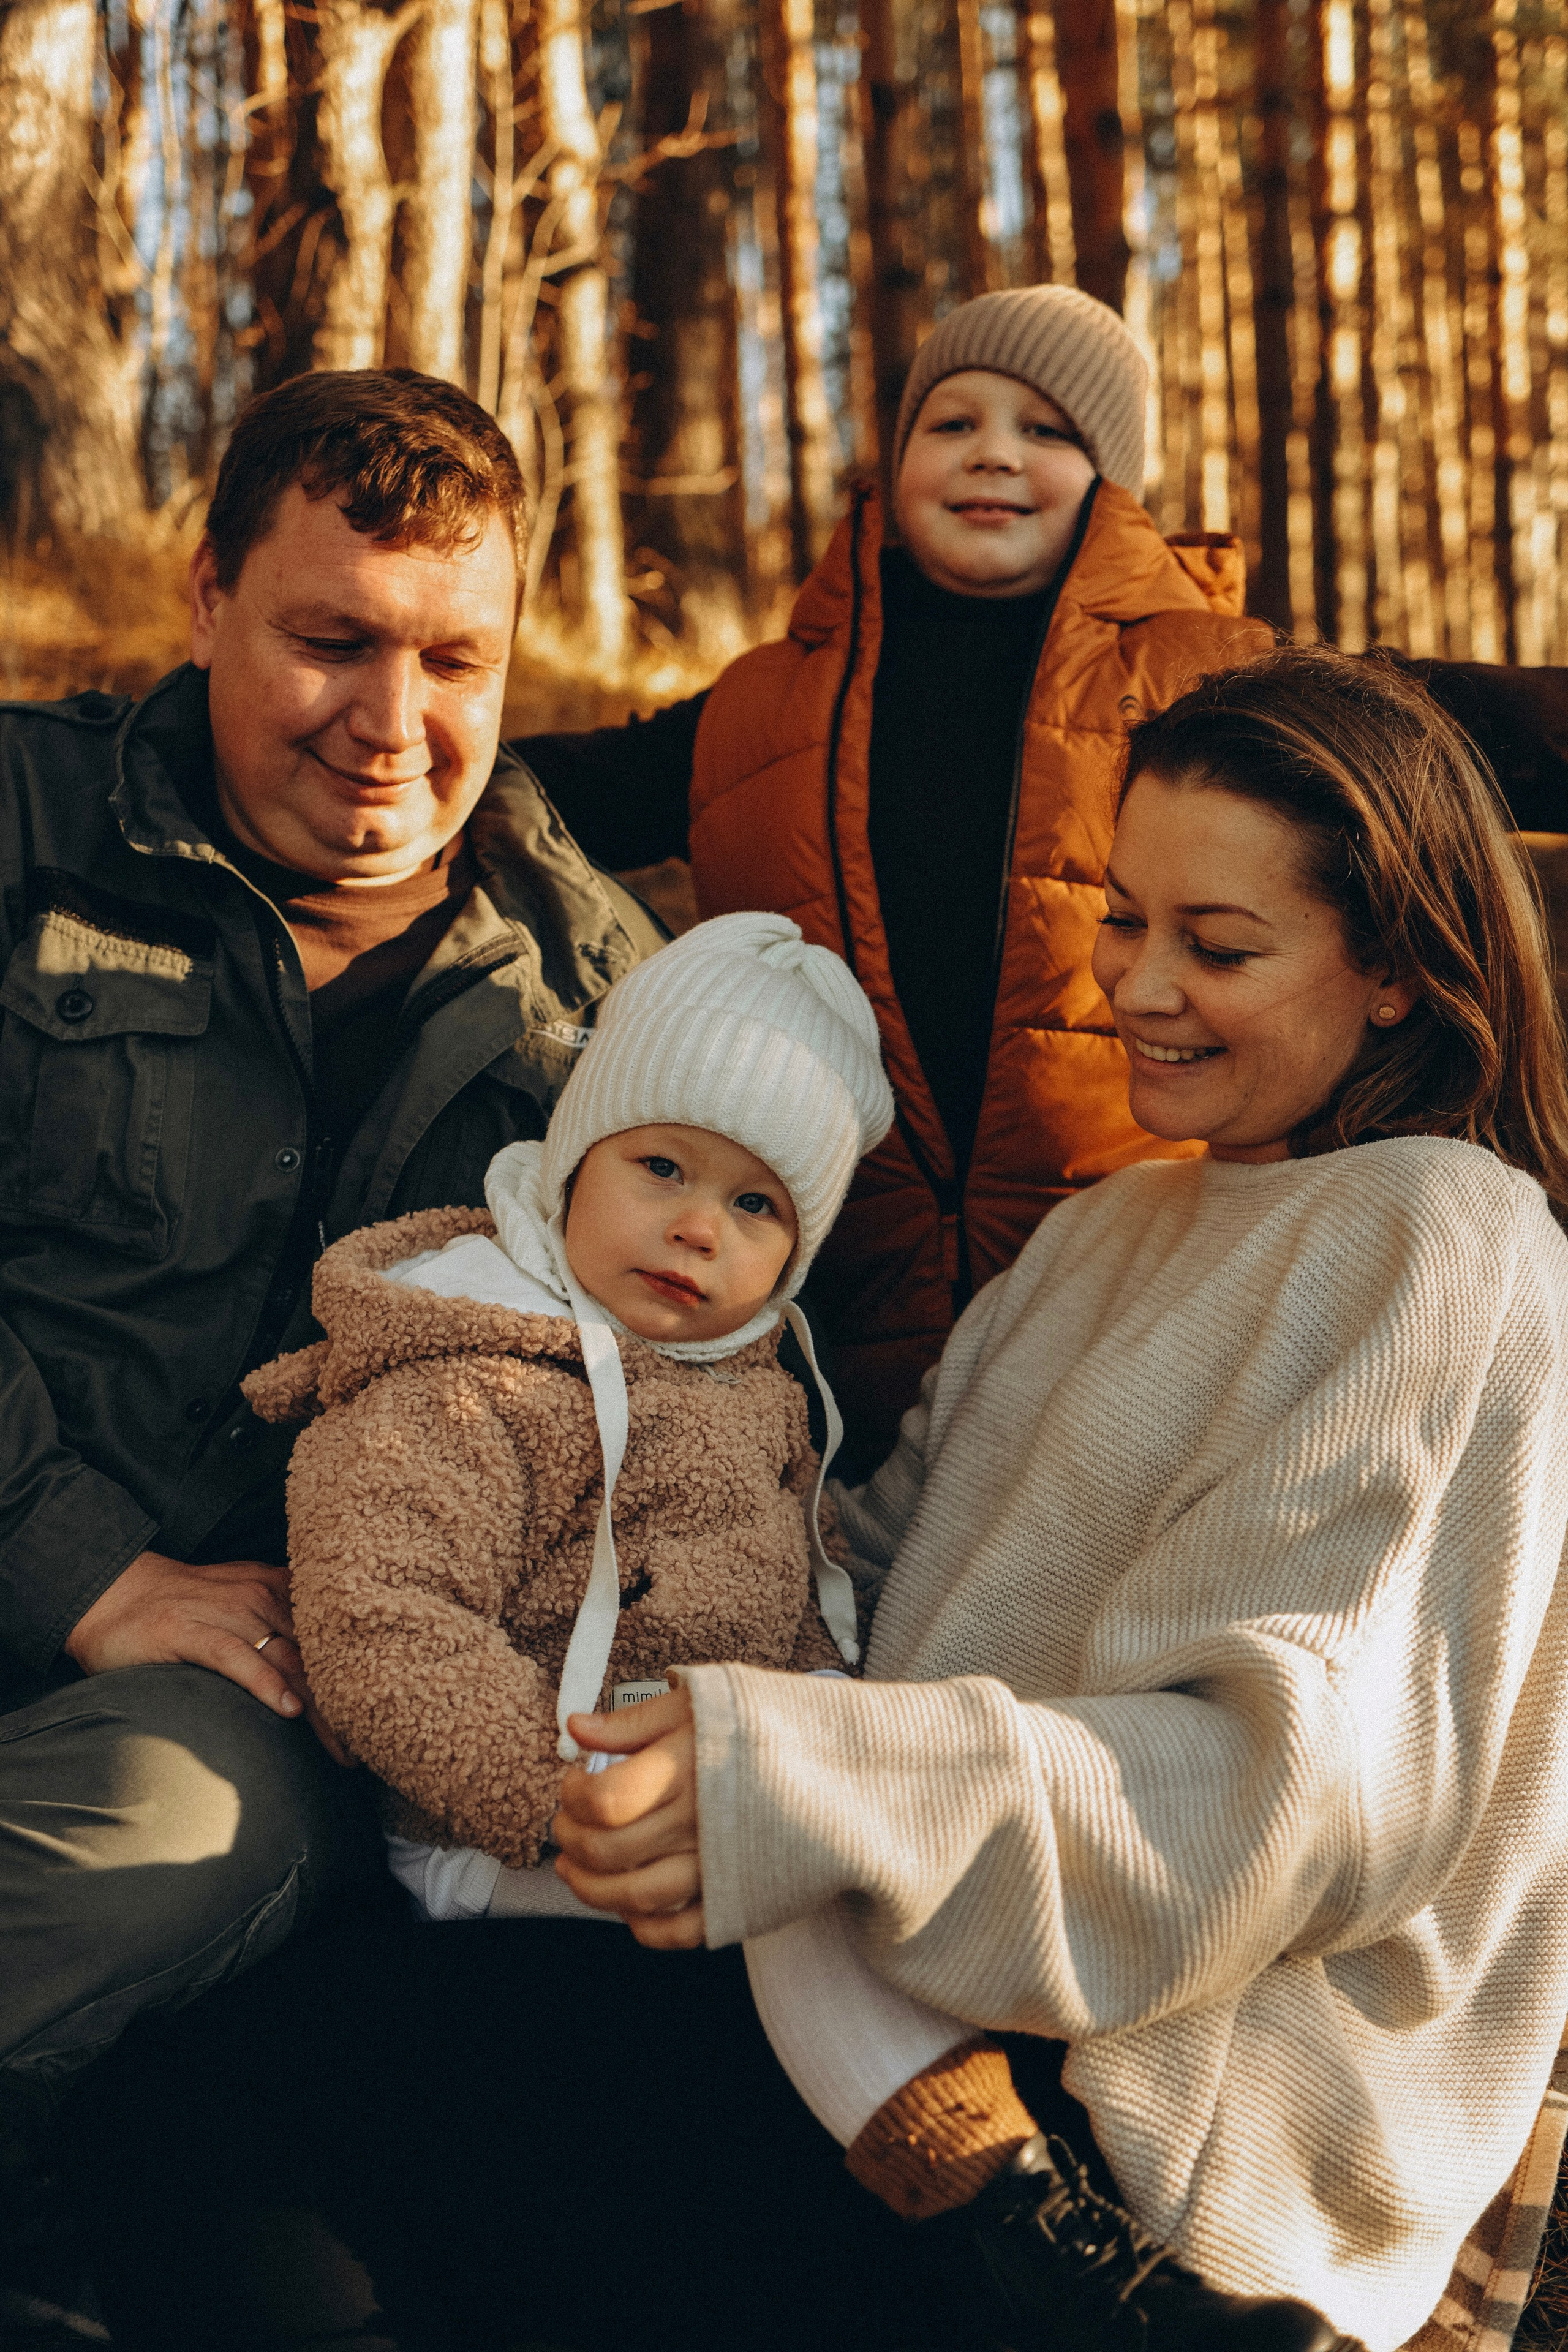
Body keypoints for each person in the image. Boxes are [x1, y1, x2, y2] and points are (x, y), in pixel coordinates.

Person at [540, 646, 1568, 2352]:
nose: (1138, 989)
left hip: (1158, 2134)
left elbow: (1274, 1811)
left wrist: (813, 1781)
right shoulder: (1110, 1230)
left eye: (1219, 947)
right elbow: (869, 1568)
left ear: (1394, 971)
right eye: (1127, 919)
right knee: (280, 2077)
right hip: (916, 1943)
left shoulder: (1445, 1247)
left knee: (344, 2136)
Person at [0, 366, 663, 2200]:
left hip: (257, 1704)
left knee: (167, 1825)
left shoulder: (602, 1000)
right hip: (52, 1546)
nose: (392, 723)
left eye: (454, 661)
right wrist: (78, 1565)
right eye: (331, 642)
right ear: (206, 597)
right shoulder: (22, 826)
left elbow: (709, 1381)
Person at [515, 284, 1274, 1460]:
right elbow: (548, 789)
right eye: (952, 422)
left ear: (1113, 481)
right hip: (841, 1310)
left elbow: (1441, 737)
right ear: (898, 459)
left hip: (1139, 1283)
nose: (994, 457)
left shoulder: (1211, 680)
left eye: (1047, 431)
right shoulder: (767, 704)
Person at [239, 913, 893, 1918]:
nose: (697, 1227)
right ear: (574, 1162)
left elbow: (803, 1592)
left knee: (875, 1879)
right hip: (505, 1829)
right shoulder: (472, 1373)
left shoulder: (760, 1389)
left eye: (757, 1205)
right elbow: (383, 1620)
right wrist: (572, 1799)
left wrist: (823, 1730)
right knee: (800, 1922)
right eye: (662, 1168)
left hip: (701, 1799)